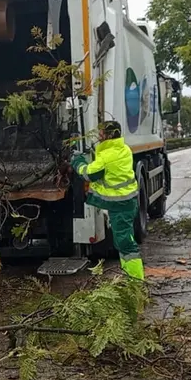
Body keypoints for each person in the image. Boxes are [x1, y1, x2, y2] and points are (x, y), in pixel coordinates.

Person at [71, 120, 145, 280]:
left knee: (125, 243)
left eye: (101, 133)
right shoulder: (123, 149)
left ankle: (136, 281)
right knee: (123, 242)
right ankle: (131, 277)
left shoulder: (107, 155)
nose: (98, 135)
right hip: (126, 202)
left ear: (108, 135)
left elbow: (89, 174)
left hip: (120, 204)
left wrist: (77, 162)